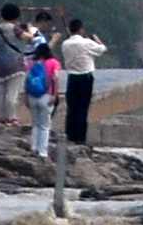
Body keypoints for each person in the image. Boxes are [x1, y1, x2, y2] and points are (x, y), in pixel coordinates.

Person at [55, 18, 103, 148]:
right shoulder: (87, 42)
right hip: (85, 77)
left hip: (72, 77)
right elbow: (102, 49)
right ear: (81, 29)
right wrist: (96, 39)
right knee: (83, 108)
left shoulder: (65, 44)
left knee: (72, 108)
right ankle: (80, 138)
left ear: (70, 30)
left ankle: (70, 135)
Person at [21, 41, 57, 157]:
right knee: (45, 126)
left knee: (35, 124)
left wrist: (25, 96)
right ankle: (43, 152)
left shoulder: (31, 63)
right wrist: (54, 95)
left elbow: (26, 80)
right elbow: (55, 78)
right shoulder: (53, 62)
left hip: (32, 96)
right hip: (46, 96)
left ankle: (34, 147)